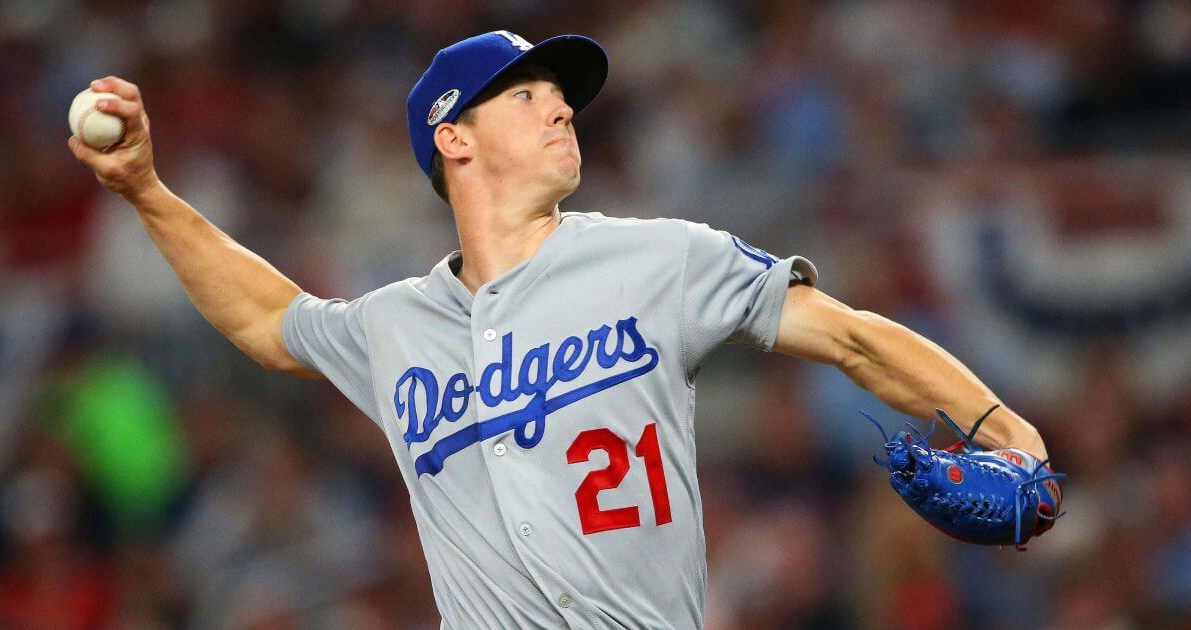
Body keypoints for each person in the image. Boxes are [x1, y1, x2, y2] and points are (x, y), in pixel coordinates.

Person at [69, 30, 1052, 630]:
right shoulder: (396, 325)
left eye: (565, 97)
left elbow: (852, 337)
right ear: (453, 137)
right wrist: (149, 193)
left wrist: (1010, 434)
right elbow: (266, 318)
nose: (562, 110)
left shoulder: (660, 259)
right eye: (529, 94)